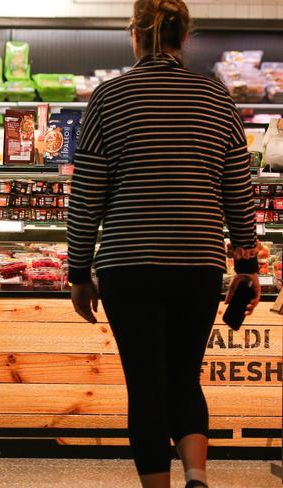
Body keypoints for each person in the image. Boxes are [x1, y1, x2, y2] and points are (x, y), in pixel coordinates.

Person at [66, 1, 260, 487]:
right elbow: (238, 188)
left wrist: (76, 272)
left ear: (135, 35)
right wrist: (248, 263)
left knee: (146, 385)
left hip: (128, 263)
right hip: (197, 261)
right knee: (185, 376)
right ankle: (197, 476)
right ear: (184, 37)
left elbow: (88, 193)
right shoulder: (216, 96)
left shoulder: (109, 97)